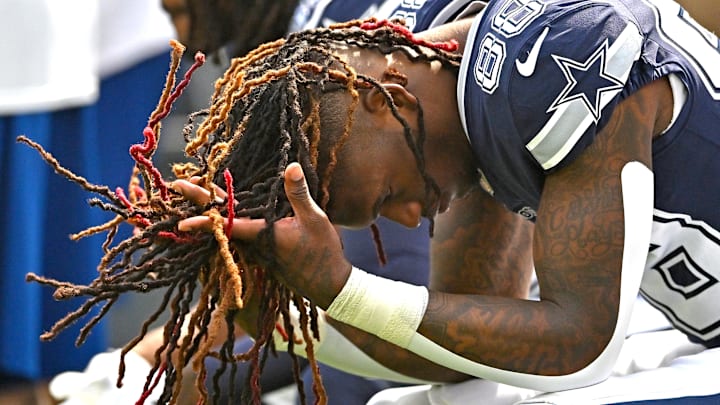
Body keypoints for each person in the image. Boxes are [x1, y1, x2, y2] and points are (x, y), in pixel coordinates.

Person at [170, 0, 720, 403]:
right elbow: (465, 356)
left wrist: (343, 287)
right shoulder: (457, 83)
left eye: (387, 195)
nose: (412, 217)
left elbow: (580, 345)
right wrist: (285, 315)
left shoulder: (557, 59)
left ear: (388, 96)